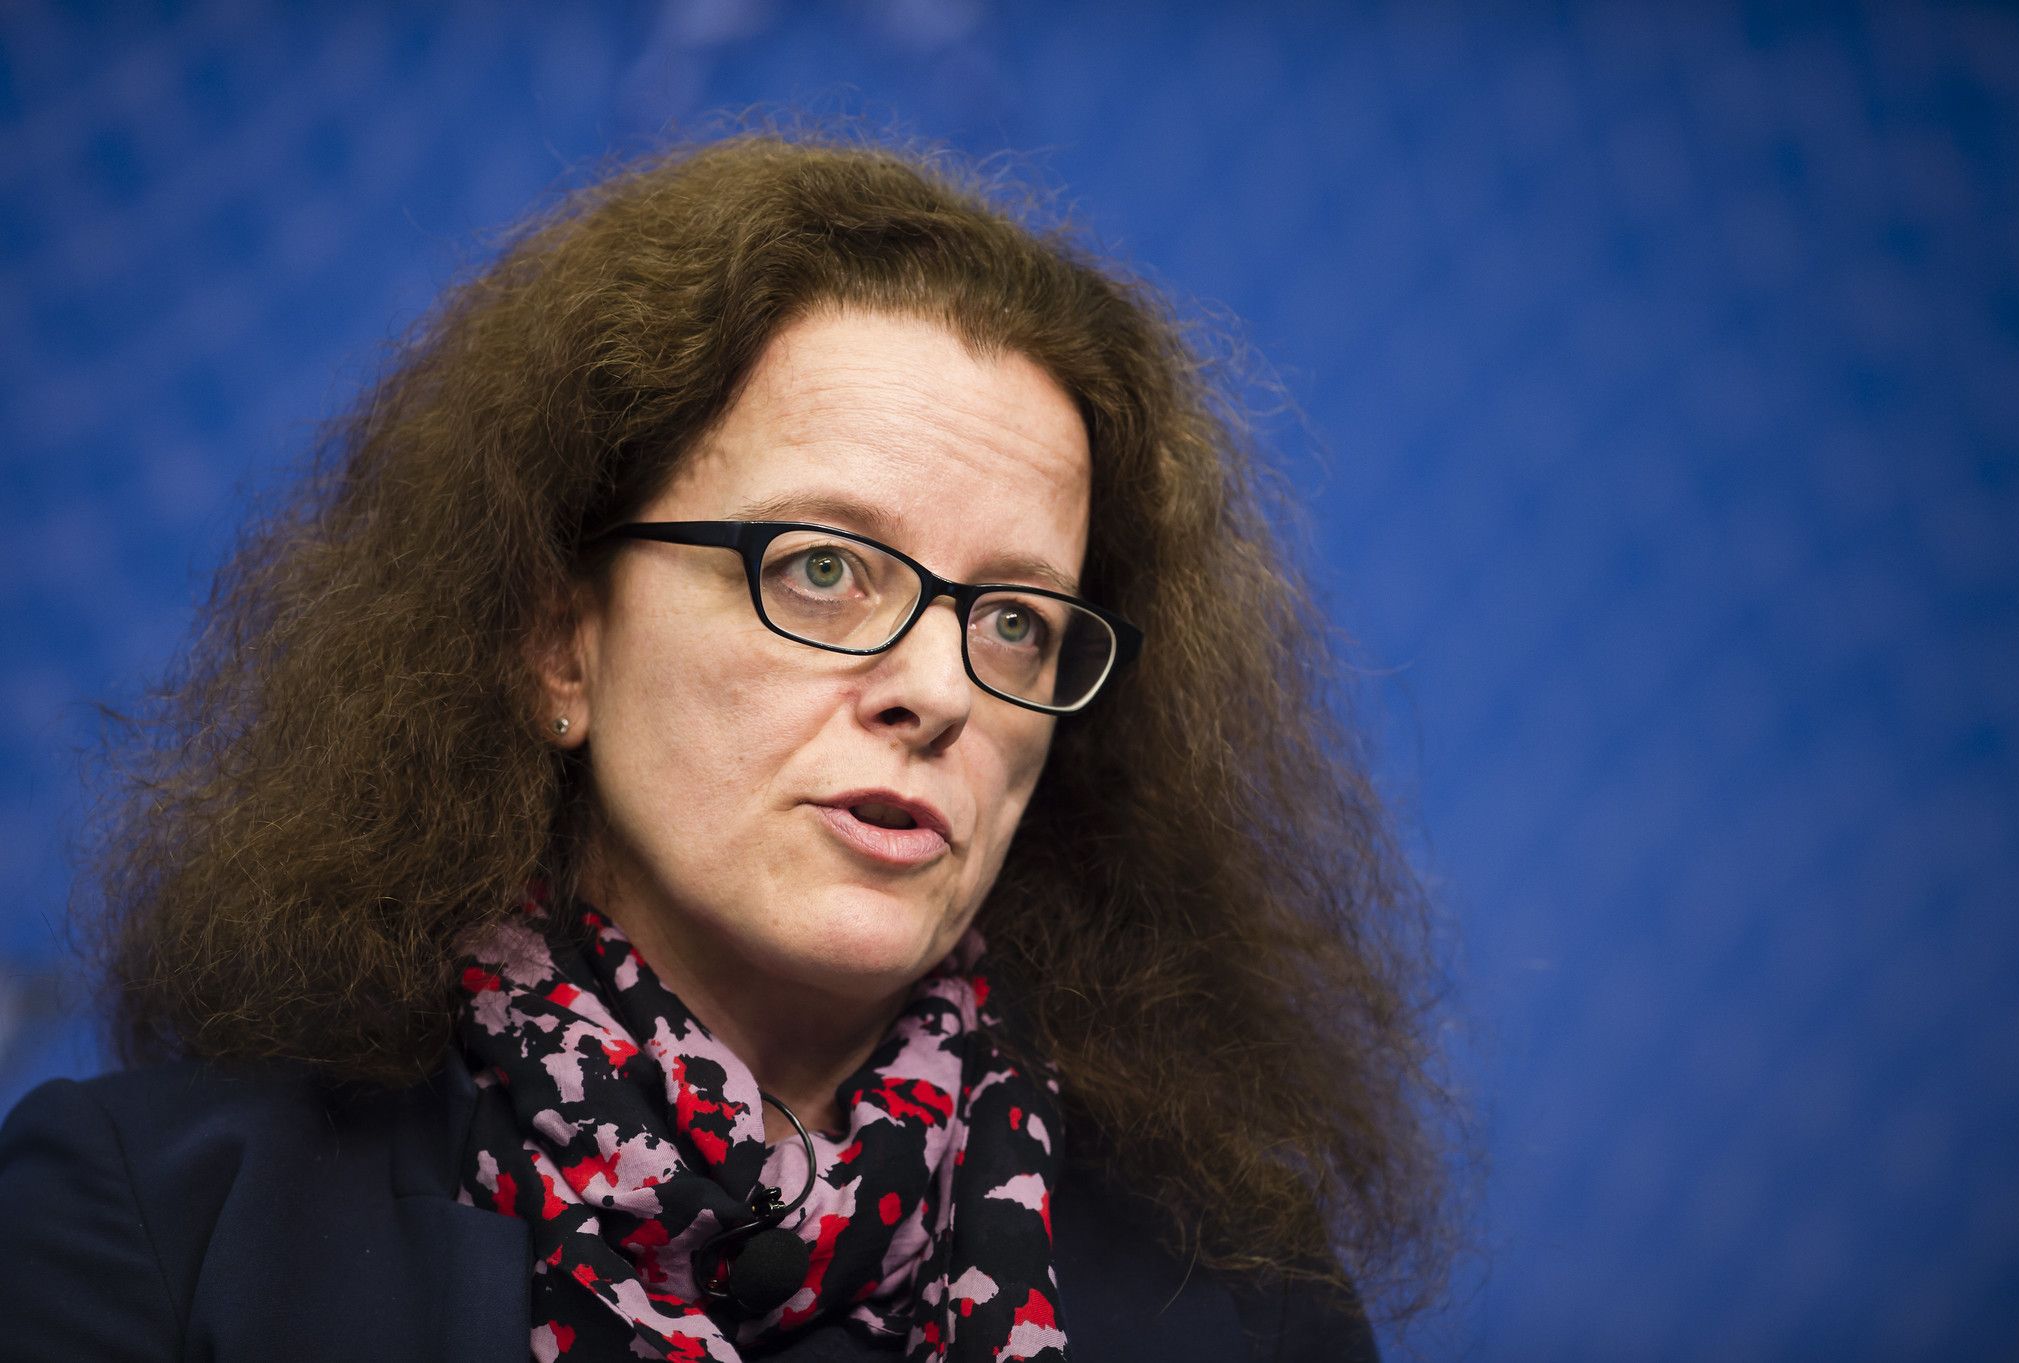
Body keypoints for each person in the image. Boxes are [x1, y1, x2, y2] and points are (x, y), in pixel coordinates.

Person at [1, 132, 1450, 1361]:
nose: (938, 692)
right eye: (823, 569)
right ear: (560, 643)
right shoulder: (160, 1234)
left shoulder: (1244, 1301)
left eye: (1015, 621)